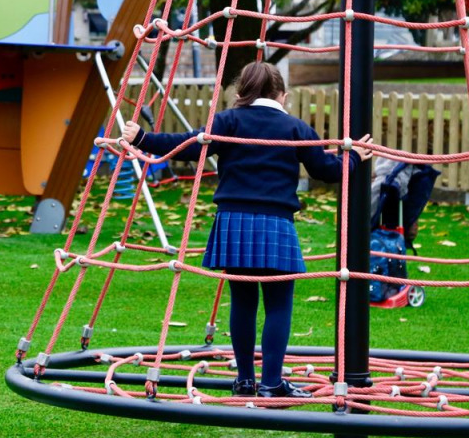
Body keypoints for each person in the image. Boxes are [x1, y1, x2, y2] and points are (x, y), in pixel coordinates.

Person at [121, 62, 372, 399]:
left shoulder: (228, 121)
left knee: (242, 301)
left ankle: (244, 380)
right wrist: (353, 157)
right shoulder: (296, 129)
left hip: (234, 220)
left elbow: (186, 146)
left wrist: (142, 137)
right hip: (275, 223)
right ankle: (271, 383)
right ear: (282, 94)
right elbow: (326, 170)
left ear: (240, 94)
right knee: (279, 304)